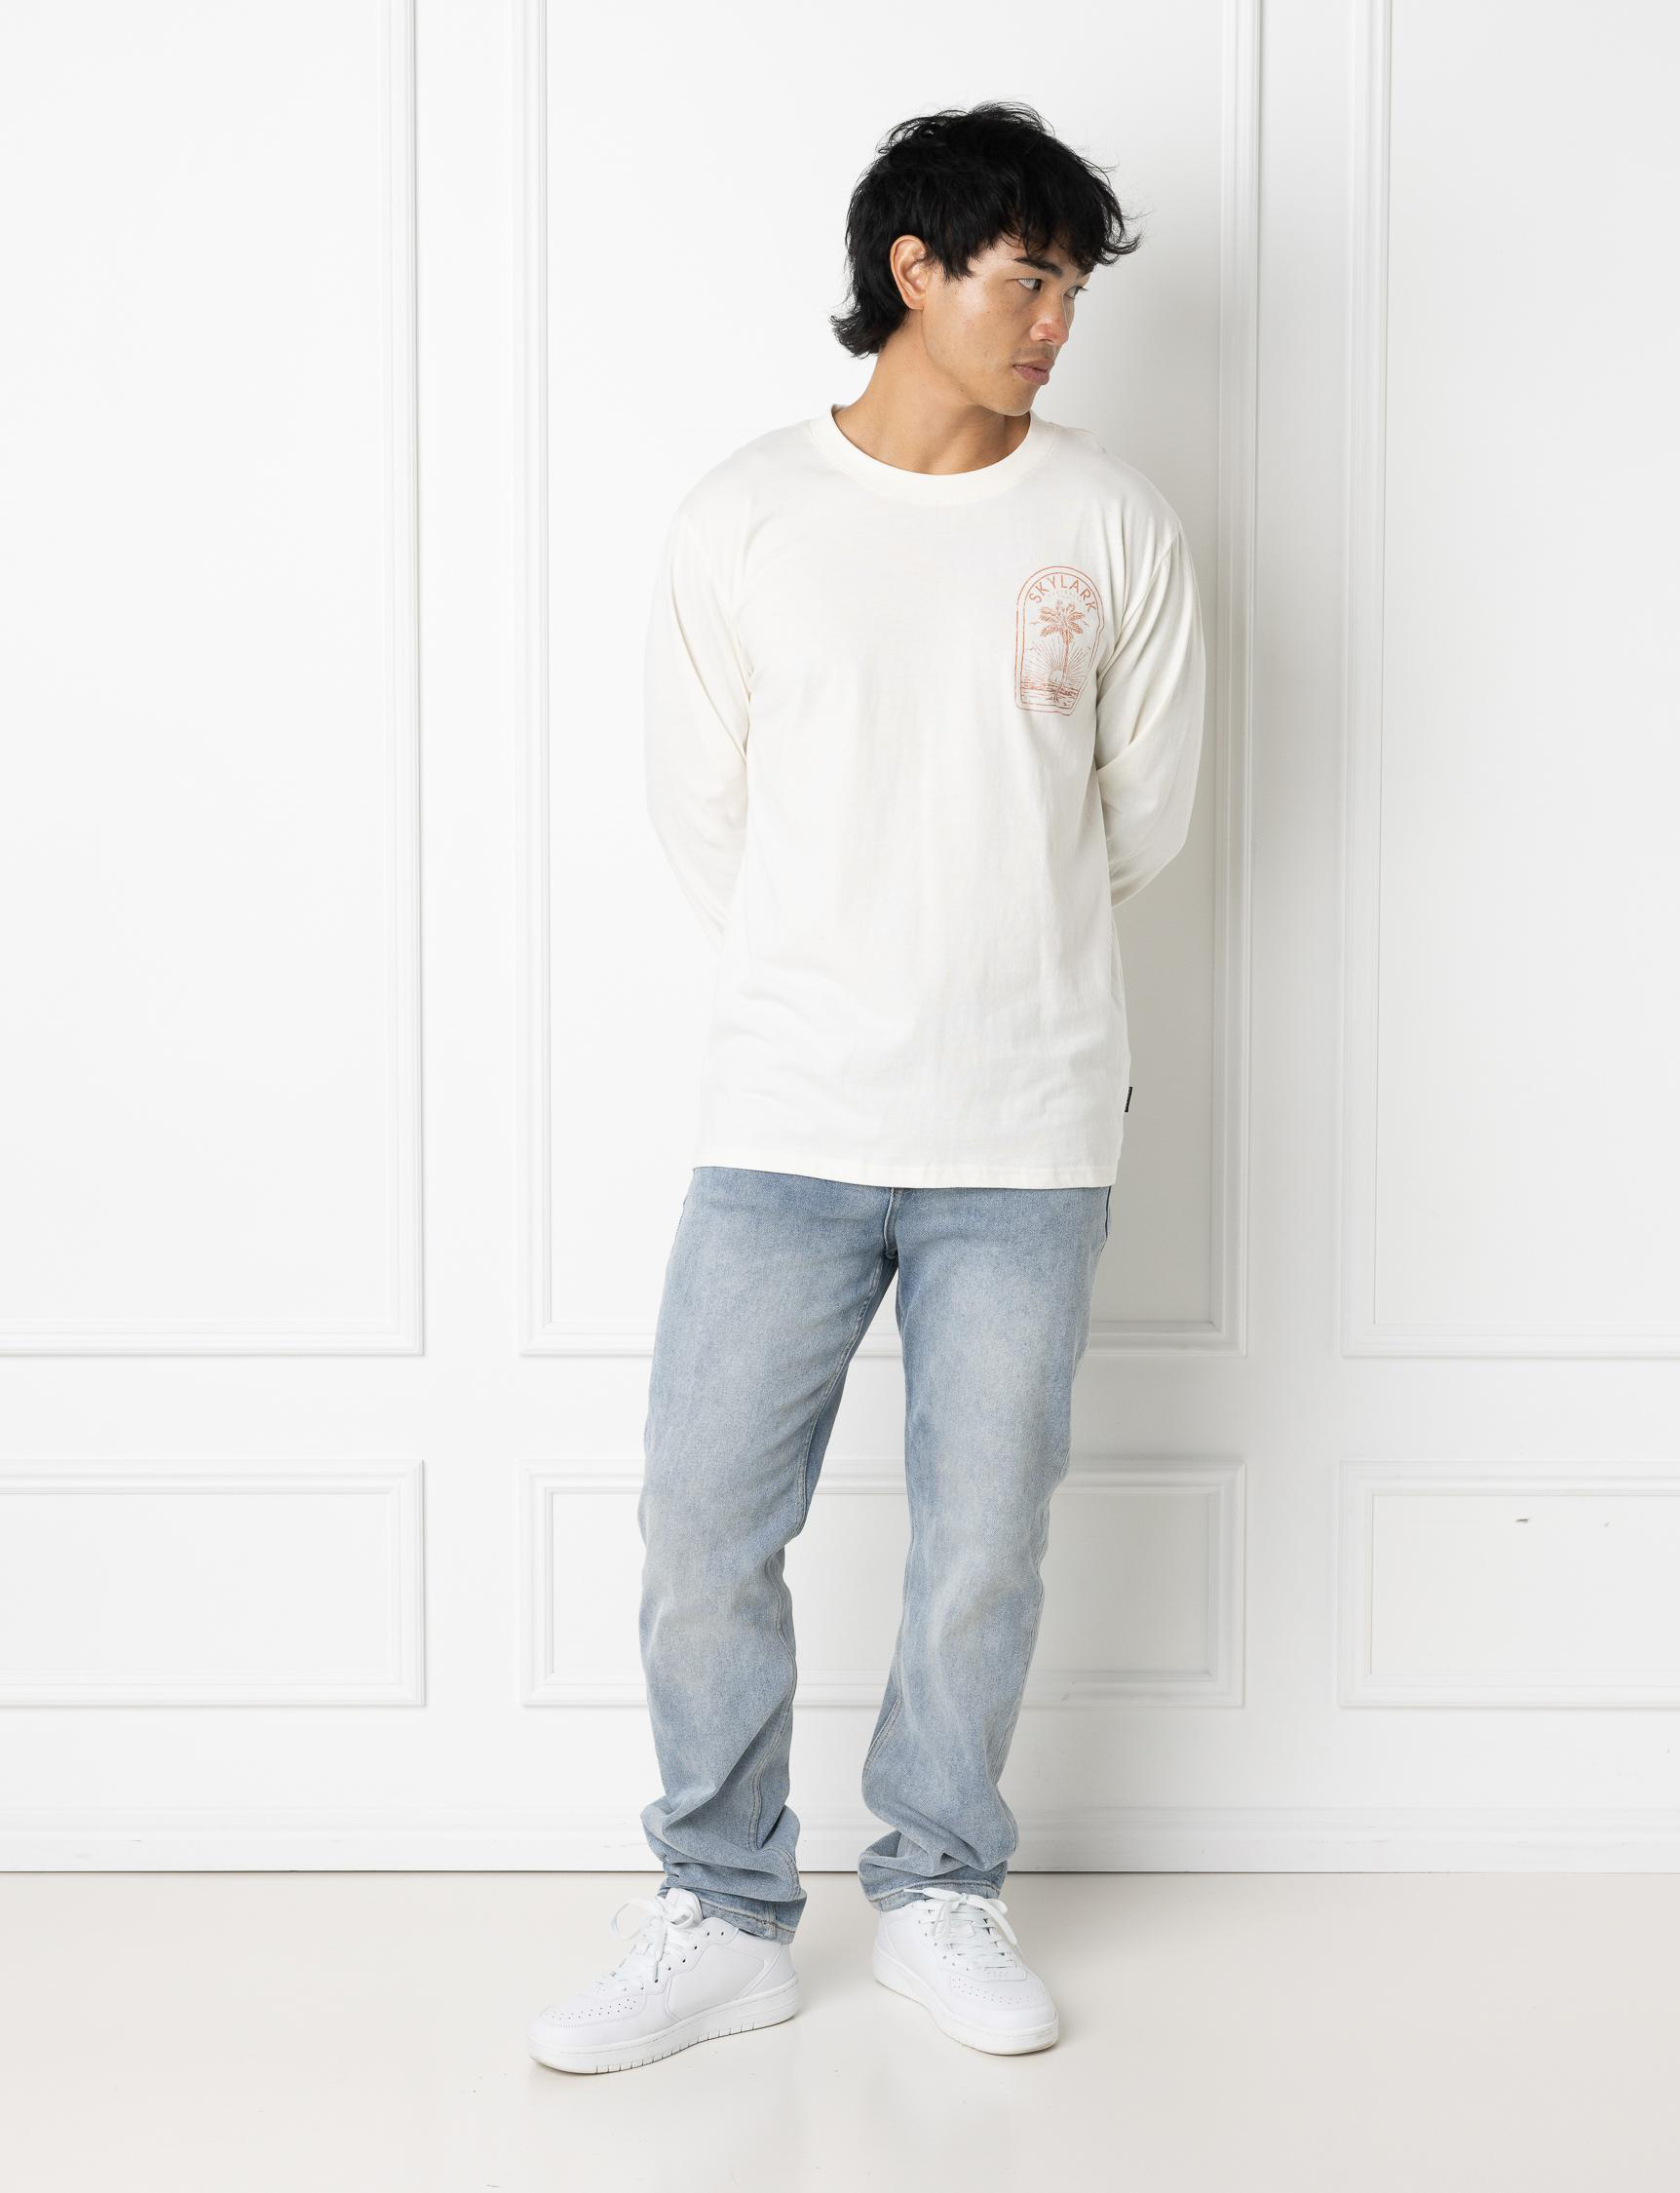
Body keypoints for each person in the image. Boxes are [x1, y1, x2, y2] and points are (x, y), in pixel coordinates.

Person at [529, 98, 1205, 2076]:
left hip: (1028, 1127)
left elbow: (1144, 817)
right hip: (787, 1122)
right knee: (700, 1530)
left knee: (984, 1542)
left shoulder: (1113, 525)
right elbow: (707, 820)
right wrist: (854, 964)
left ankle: (937, 1889)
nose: (1057, 321)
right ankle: (723, 1912)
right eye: (1028, 278)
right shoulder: (745, 516)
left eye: (1074, 290)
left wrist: (989, 948)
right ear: (913, 269)